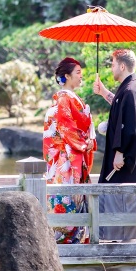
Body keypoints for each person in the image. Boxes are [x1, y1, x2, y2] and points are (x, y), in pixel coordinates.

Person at [92, 48, 136, 242]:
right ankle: (122, 243)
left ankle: (126, 247)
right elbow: (120, 107)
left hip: (127, 161)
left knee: (124, 203)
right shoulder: (130, 88)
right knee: (122, 205)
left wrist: (120, 152)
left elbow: (130, 128)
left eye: (112, 64)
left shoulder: (131, 90)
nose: (111, 68)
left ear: (121, 65)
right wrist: (104, 92)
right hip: (128, 159)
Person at [43, 57, 97, 244]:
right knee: (67, 197)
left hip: (69, 154)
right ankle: (66, 239)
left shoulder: (70, 98)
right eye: (78, 73)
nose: (81, 77)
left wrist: (88, 140)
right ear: (67, 76)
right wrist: (85, 143)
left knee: (72, 197)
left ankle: (73, 237)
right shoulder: (64, 99)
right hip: (66, 158)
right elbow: (67, 129)